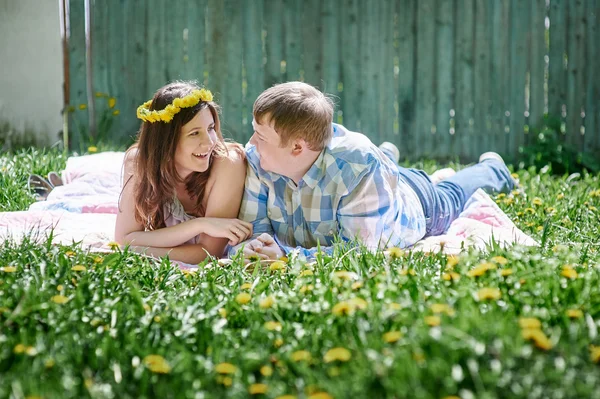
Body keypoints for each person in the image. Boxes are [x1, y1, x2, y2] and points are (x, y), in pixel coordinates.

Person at [231, 81, 515, 260]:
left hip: (416, 202)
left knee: (452, 191)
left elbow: (359, 253)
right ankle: (388, 155)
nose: (251, 142)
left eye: (261, 135)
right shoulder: (259, 158)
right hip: (374, 184)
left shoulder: (357, 167)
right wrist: (255, 248)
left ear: (297, 147)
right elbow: (254, 230)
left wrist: (285, 256)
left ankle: (493, 168)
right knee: (376, 166)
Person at [115, 81, 252, 264]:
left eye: (210, 128)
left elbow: (208, 254)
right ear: (165, 141)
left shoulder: (227, 163)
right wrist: (200, 224)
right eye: (194, 133)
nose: (210, 142)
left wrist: (135, 249)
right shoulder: (140, 162)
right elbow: (124, 238)